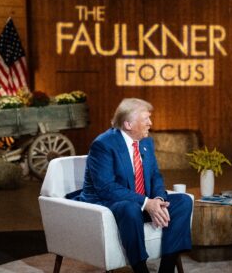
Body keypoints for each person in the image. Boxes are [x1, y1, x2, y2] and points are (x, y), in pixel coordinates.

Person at [75, 98, 192, 273]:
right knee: (130, 209)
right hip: (108, 203)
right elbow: (106, 188)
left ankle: (166, 269)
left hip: (137, 201)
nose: (150, 123)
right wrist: (146, 203)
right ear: (128, 124)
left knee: (183, 201)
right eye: (146, 119)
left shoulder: (146, 142)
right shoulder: (103, 145)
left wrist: (158, 199)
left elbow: (154, 176)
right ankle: (140, 270)